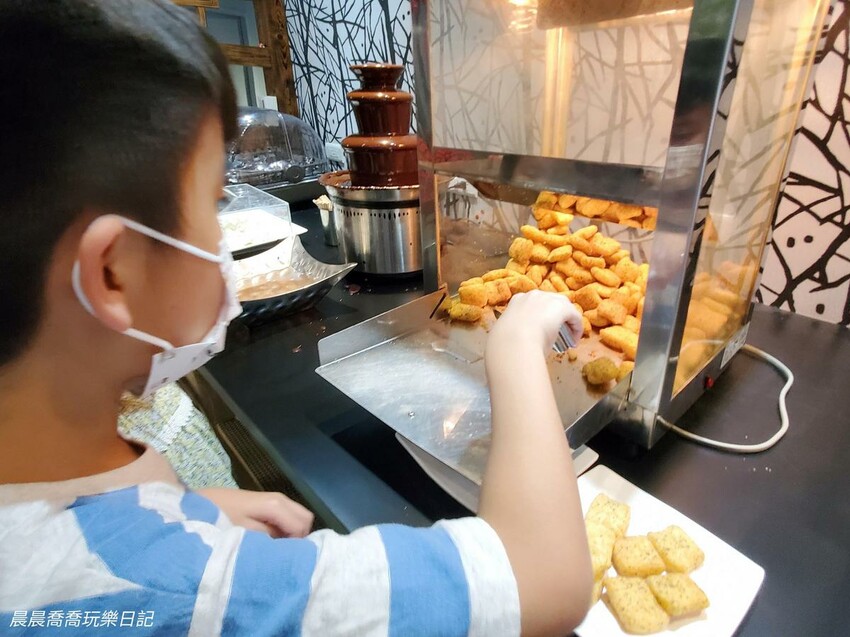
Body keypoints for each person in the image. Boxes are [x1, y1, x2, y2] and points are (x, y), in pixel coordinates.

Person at [0, 1, 591, 635]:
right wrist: (516, 347)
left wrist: (190, 512)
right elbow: (541, 578)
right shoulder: (193, 591)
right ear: (114, 272)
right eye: (214, 204)